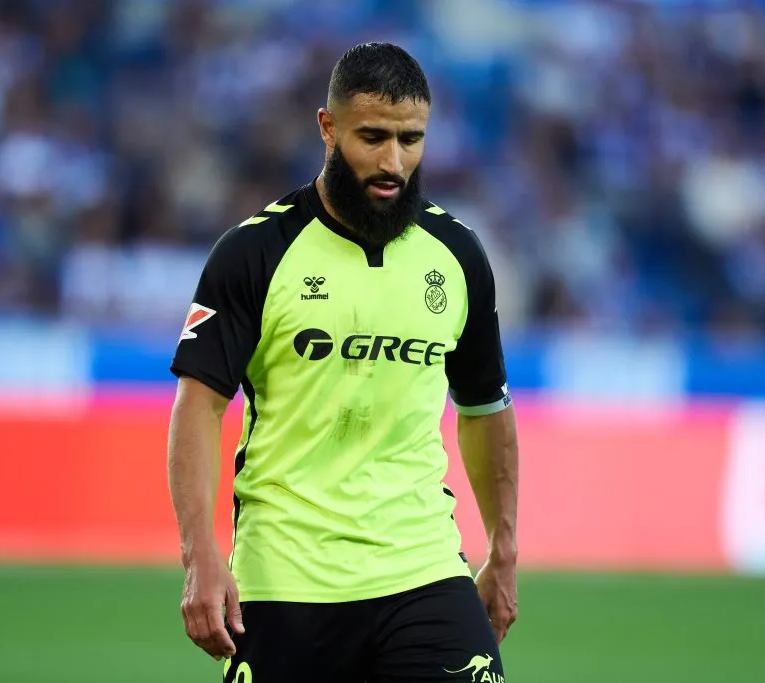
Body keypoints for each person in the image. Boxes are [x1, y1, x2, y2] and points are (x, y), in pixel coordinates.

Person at [167, 41, 519, 683]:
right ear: (327, 128)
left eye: (411, 140)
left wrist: (503, 546)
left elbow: (485, 407)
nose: (393, 162)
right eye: (373, 137)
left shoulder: (458, 256)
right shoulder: (255, 253)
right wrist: (201, 555)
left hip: (422, 566)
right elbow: (199, 405)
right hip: (286, 576)